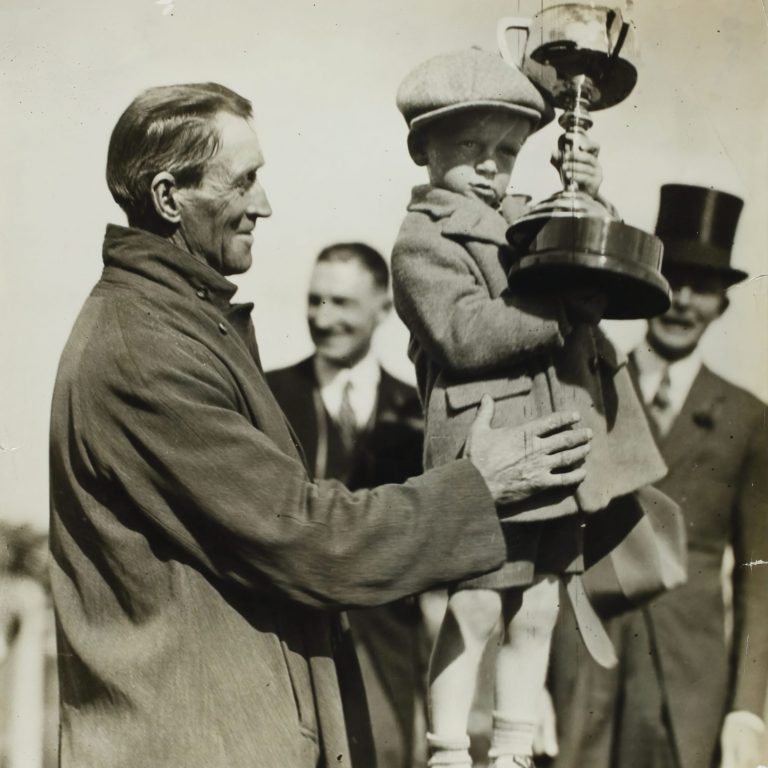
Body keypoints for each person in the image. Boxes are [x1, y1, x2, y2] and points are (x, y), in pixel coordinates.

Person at [48, 82, 595, 768]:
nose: (264, 204)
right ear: (167, 198)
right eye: (244, 182)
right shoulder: (147, 351)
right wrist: (477, 487)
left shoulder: (176, 323)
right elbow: (305, 537)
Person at [390, 48, 668, 768]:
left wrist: (590, 196)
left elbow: (592, 252)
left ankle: (512, 748)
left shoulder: (524, 216)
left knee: (542, 602)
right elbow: (464, 333)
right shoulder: (423, 242)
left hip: (557, 447)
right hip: (494, 451)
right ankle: (449, 749)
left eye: (508, 151)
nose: (491, 165)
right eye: (471, 148)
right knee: (479, 605)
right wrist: (558, 312)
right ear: (424, 149)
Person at [545, 184, 768, 768]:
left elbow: (758, 573)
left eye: (706, 288)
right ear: (649, 288)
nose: (685, 302)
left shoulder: (748, 417)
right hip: (581, 651)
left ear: (723, 304)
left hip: (685, 677)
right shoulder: (590, 382)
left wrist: (747, 708)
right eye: (675, 282)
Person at [267, 242, 428, 768]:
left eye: (341, 303)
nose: (323, 318)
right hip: (288, 650)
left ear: (383, 307)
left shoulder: (419, 410)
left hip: (387, 653)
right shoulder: (267, 396)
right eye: (315, 302)